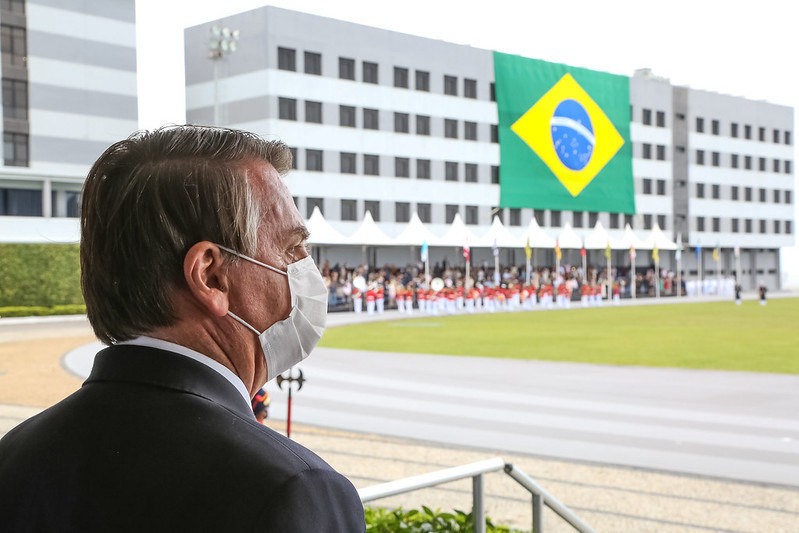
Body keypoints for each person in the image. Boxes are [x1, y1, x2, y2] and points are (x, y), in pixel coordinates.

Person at [0, 126, 365, 532]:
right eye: (291, 249)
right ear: (210, 277)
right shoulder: (291, 488)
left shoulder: (15, 456)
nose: (305, 269)